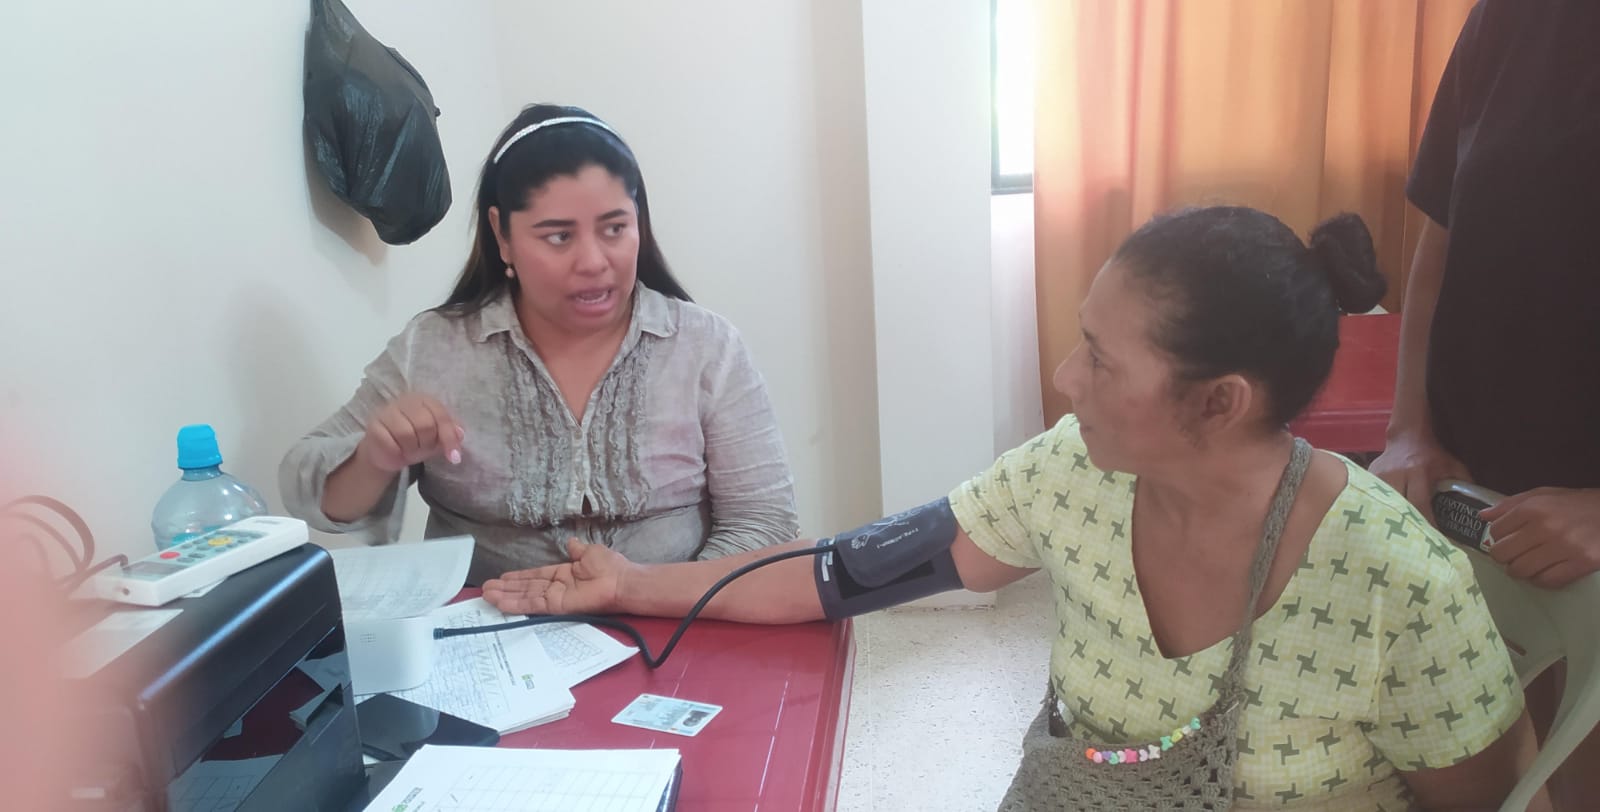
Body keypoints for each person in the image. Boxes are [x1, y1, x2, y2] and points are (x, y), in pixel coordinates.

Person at [485, 207, 1548, 811]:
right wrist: (632, 583)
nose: (1063, 375)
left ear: (1219, 402)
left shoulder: (1398, 586)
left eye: (1099, 356)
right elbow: (844, 572)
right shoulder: (1070, 475)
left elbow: (1492, 802)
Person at [281, 104, 799, 585]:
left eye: (615, 228)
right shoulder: (434, 348)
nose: (593, 261)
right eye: (558, 236)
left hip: (675, 626)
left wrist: (646, 595)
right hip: (492, 634)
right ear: (502, 235)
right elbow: (305, 489)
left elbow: (765, 521)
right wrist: (374, 457)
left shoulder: (707, 347)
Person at [1370, 2, 1600, 808]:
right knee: (1492, 758)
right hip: (1479, 479)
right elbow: (1443, 233)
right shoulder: (1509, 16)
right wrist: (1409, 430)